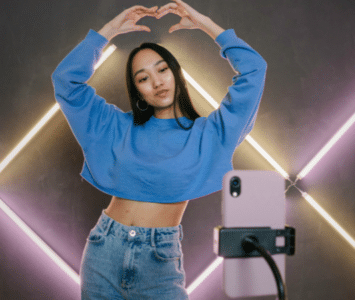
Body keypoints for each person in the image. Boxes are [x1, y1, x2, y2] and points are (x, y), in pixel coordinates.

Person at [51, 0, 267, 299]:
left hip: (160, 259)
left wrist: (205, 24)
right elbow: (65, 82)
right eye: (143, 78)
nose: (156, 81)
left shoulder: (211, 133)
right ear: (137, 90)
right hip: (105, 249)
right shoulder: (116, 127)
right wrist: (108, 32)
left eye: (162, 69)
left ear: (176, 73)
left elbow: (255, 70)